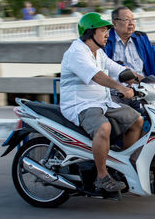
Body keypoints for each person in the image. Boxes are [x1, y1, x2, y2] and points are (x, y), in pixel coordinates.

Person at [60, 12, 144, 192]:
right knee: (104, 127)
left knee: (137, 120)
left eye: (107, 30)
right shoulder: (76, 52)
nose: (107, 34)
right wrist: (121, 88)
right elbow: (97, 76)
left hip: (102, 102)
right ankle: (102, 176)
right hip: (81, 105)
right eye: (103, 30)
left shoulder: (98, 52)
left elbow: (117, 69)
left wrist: (140, 79)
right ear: (90, 33)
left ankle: (123, 168)